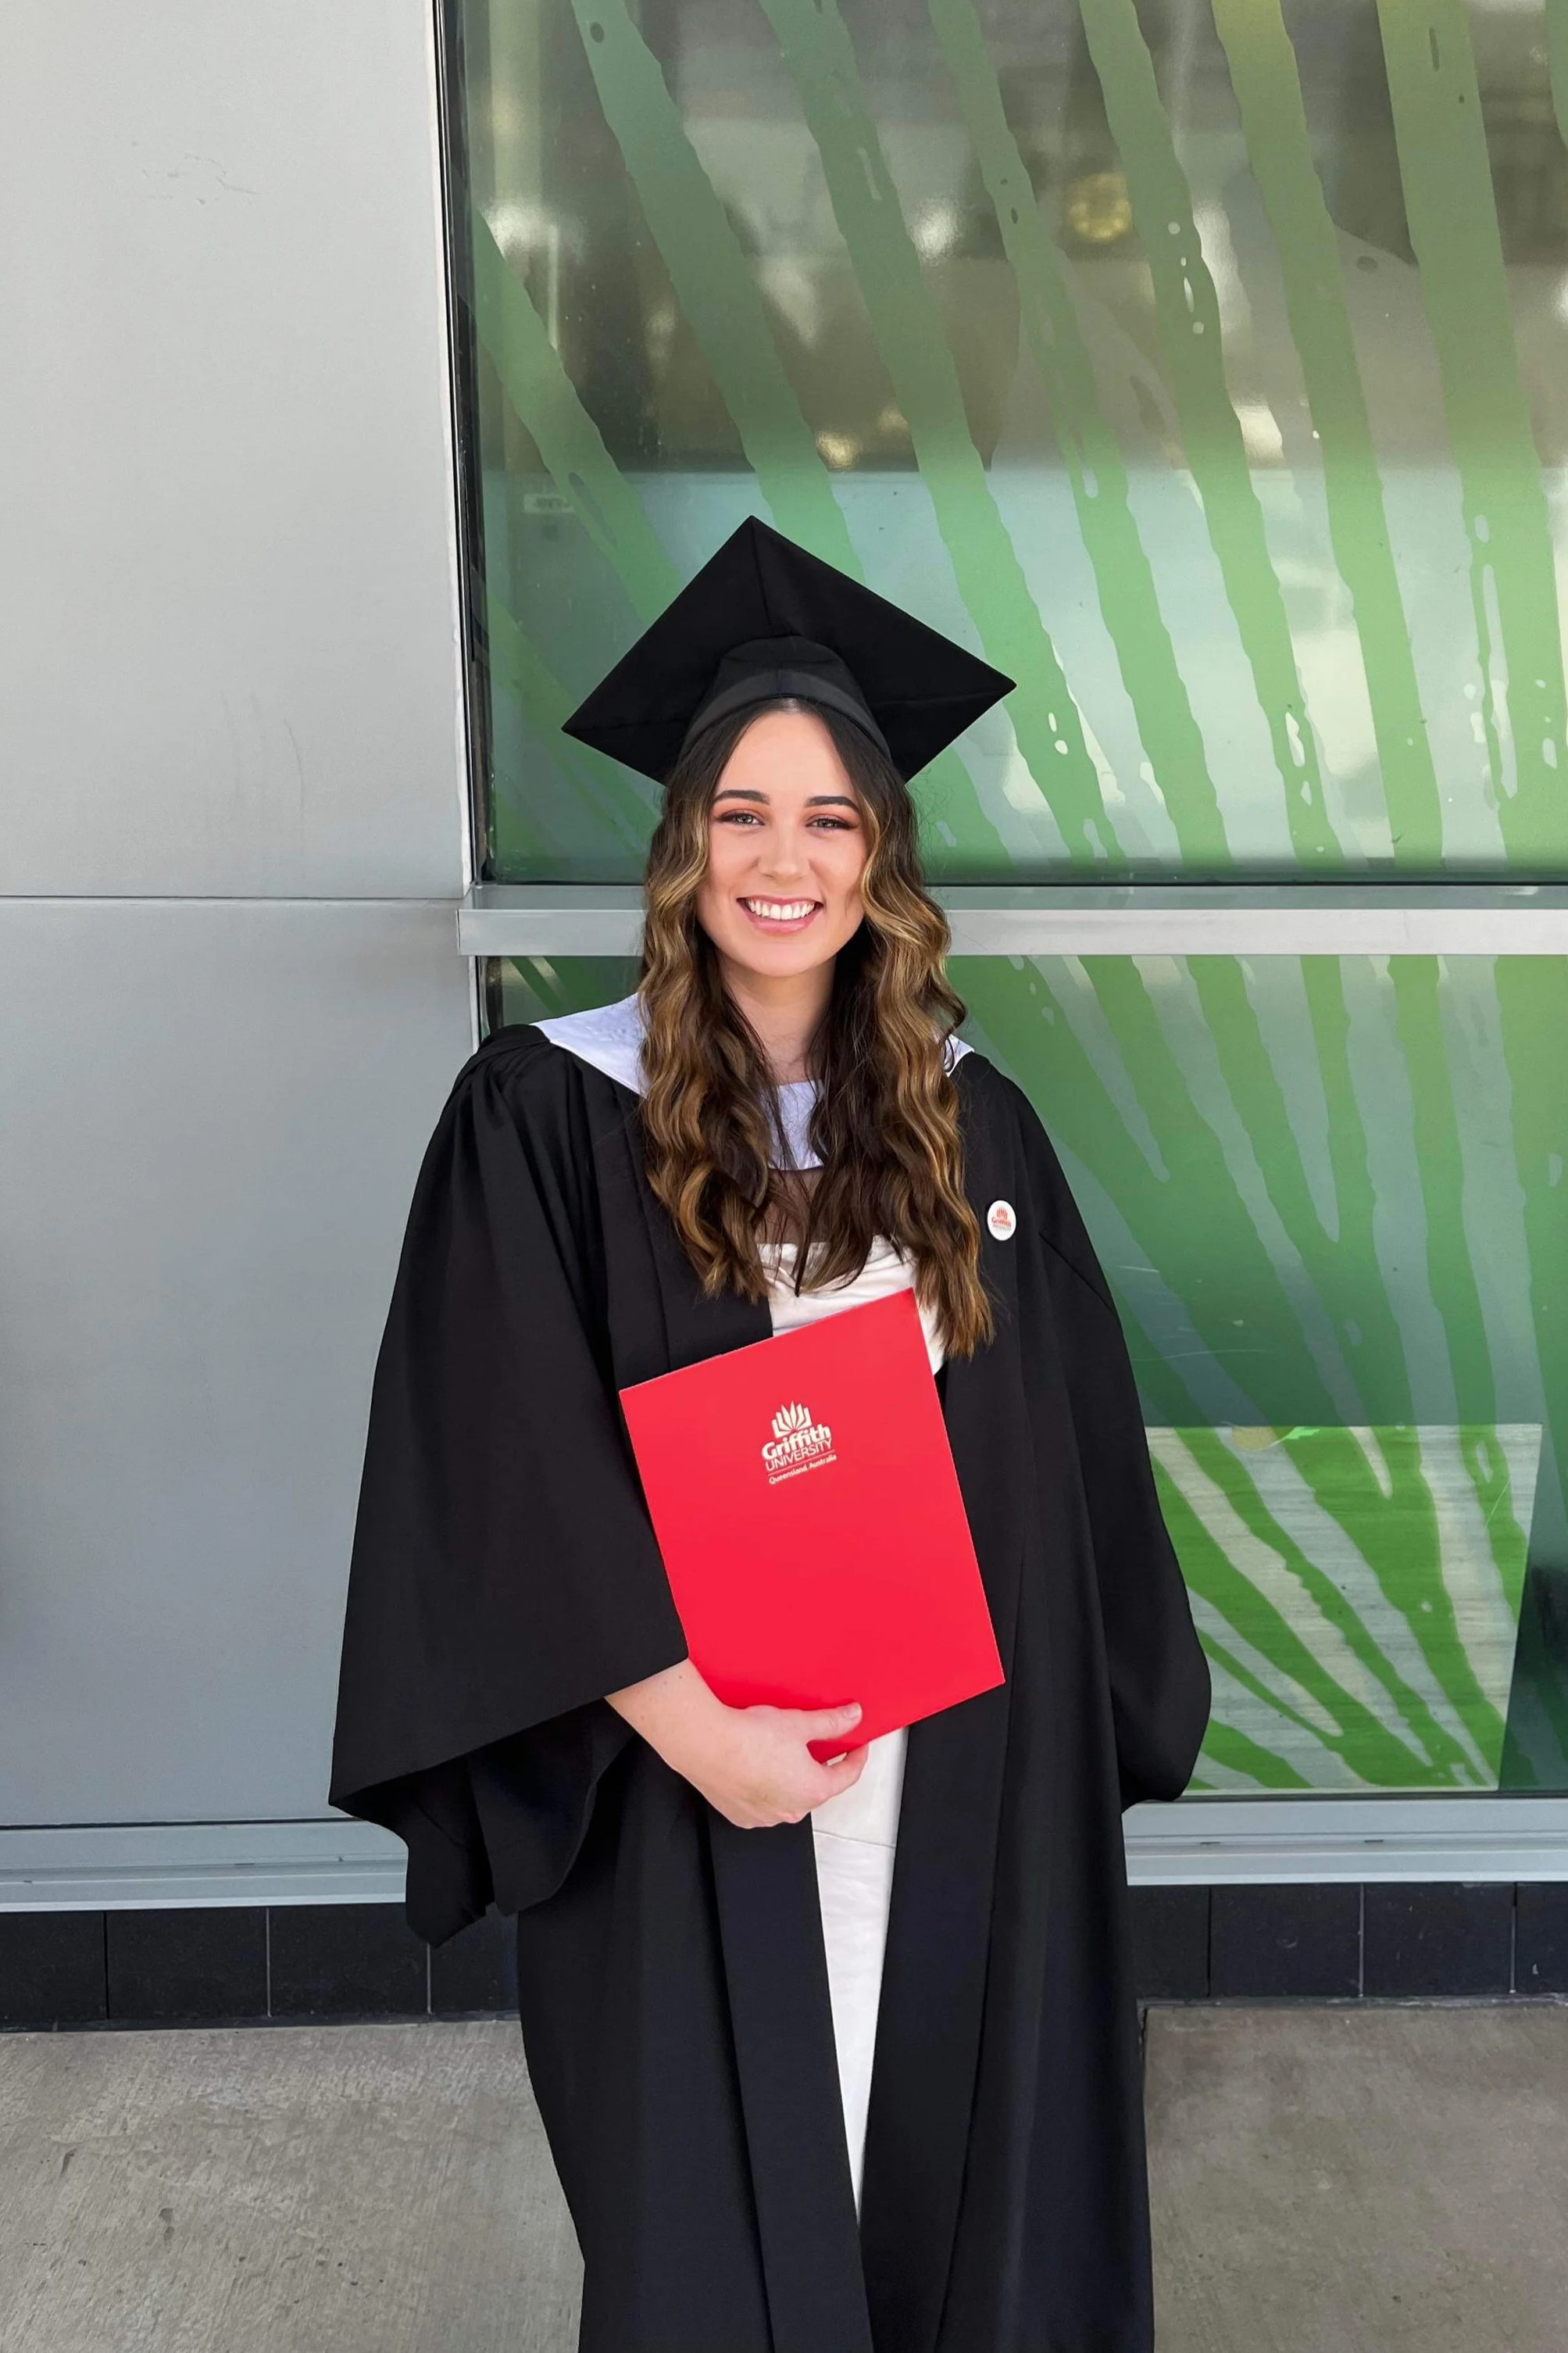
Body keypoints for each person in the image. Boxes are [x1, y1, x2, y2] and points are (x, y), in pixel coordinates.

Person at [330, 518, 1210, 2353]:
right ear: (680, 850)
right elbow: (502, 1473)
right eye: (739, 812)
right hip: (689, 1773)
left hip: (951, 1768)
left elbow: (1062, 1482)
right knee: (714, 2236)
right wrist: (696, 1733)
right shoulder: (545, 1117)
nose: (782, 858)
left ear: (880, 857)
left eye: (827, 818)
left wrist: (1039, 1724)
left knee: (964, 2195)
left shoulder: (978, 1130)